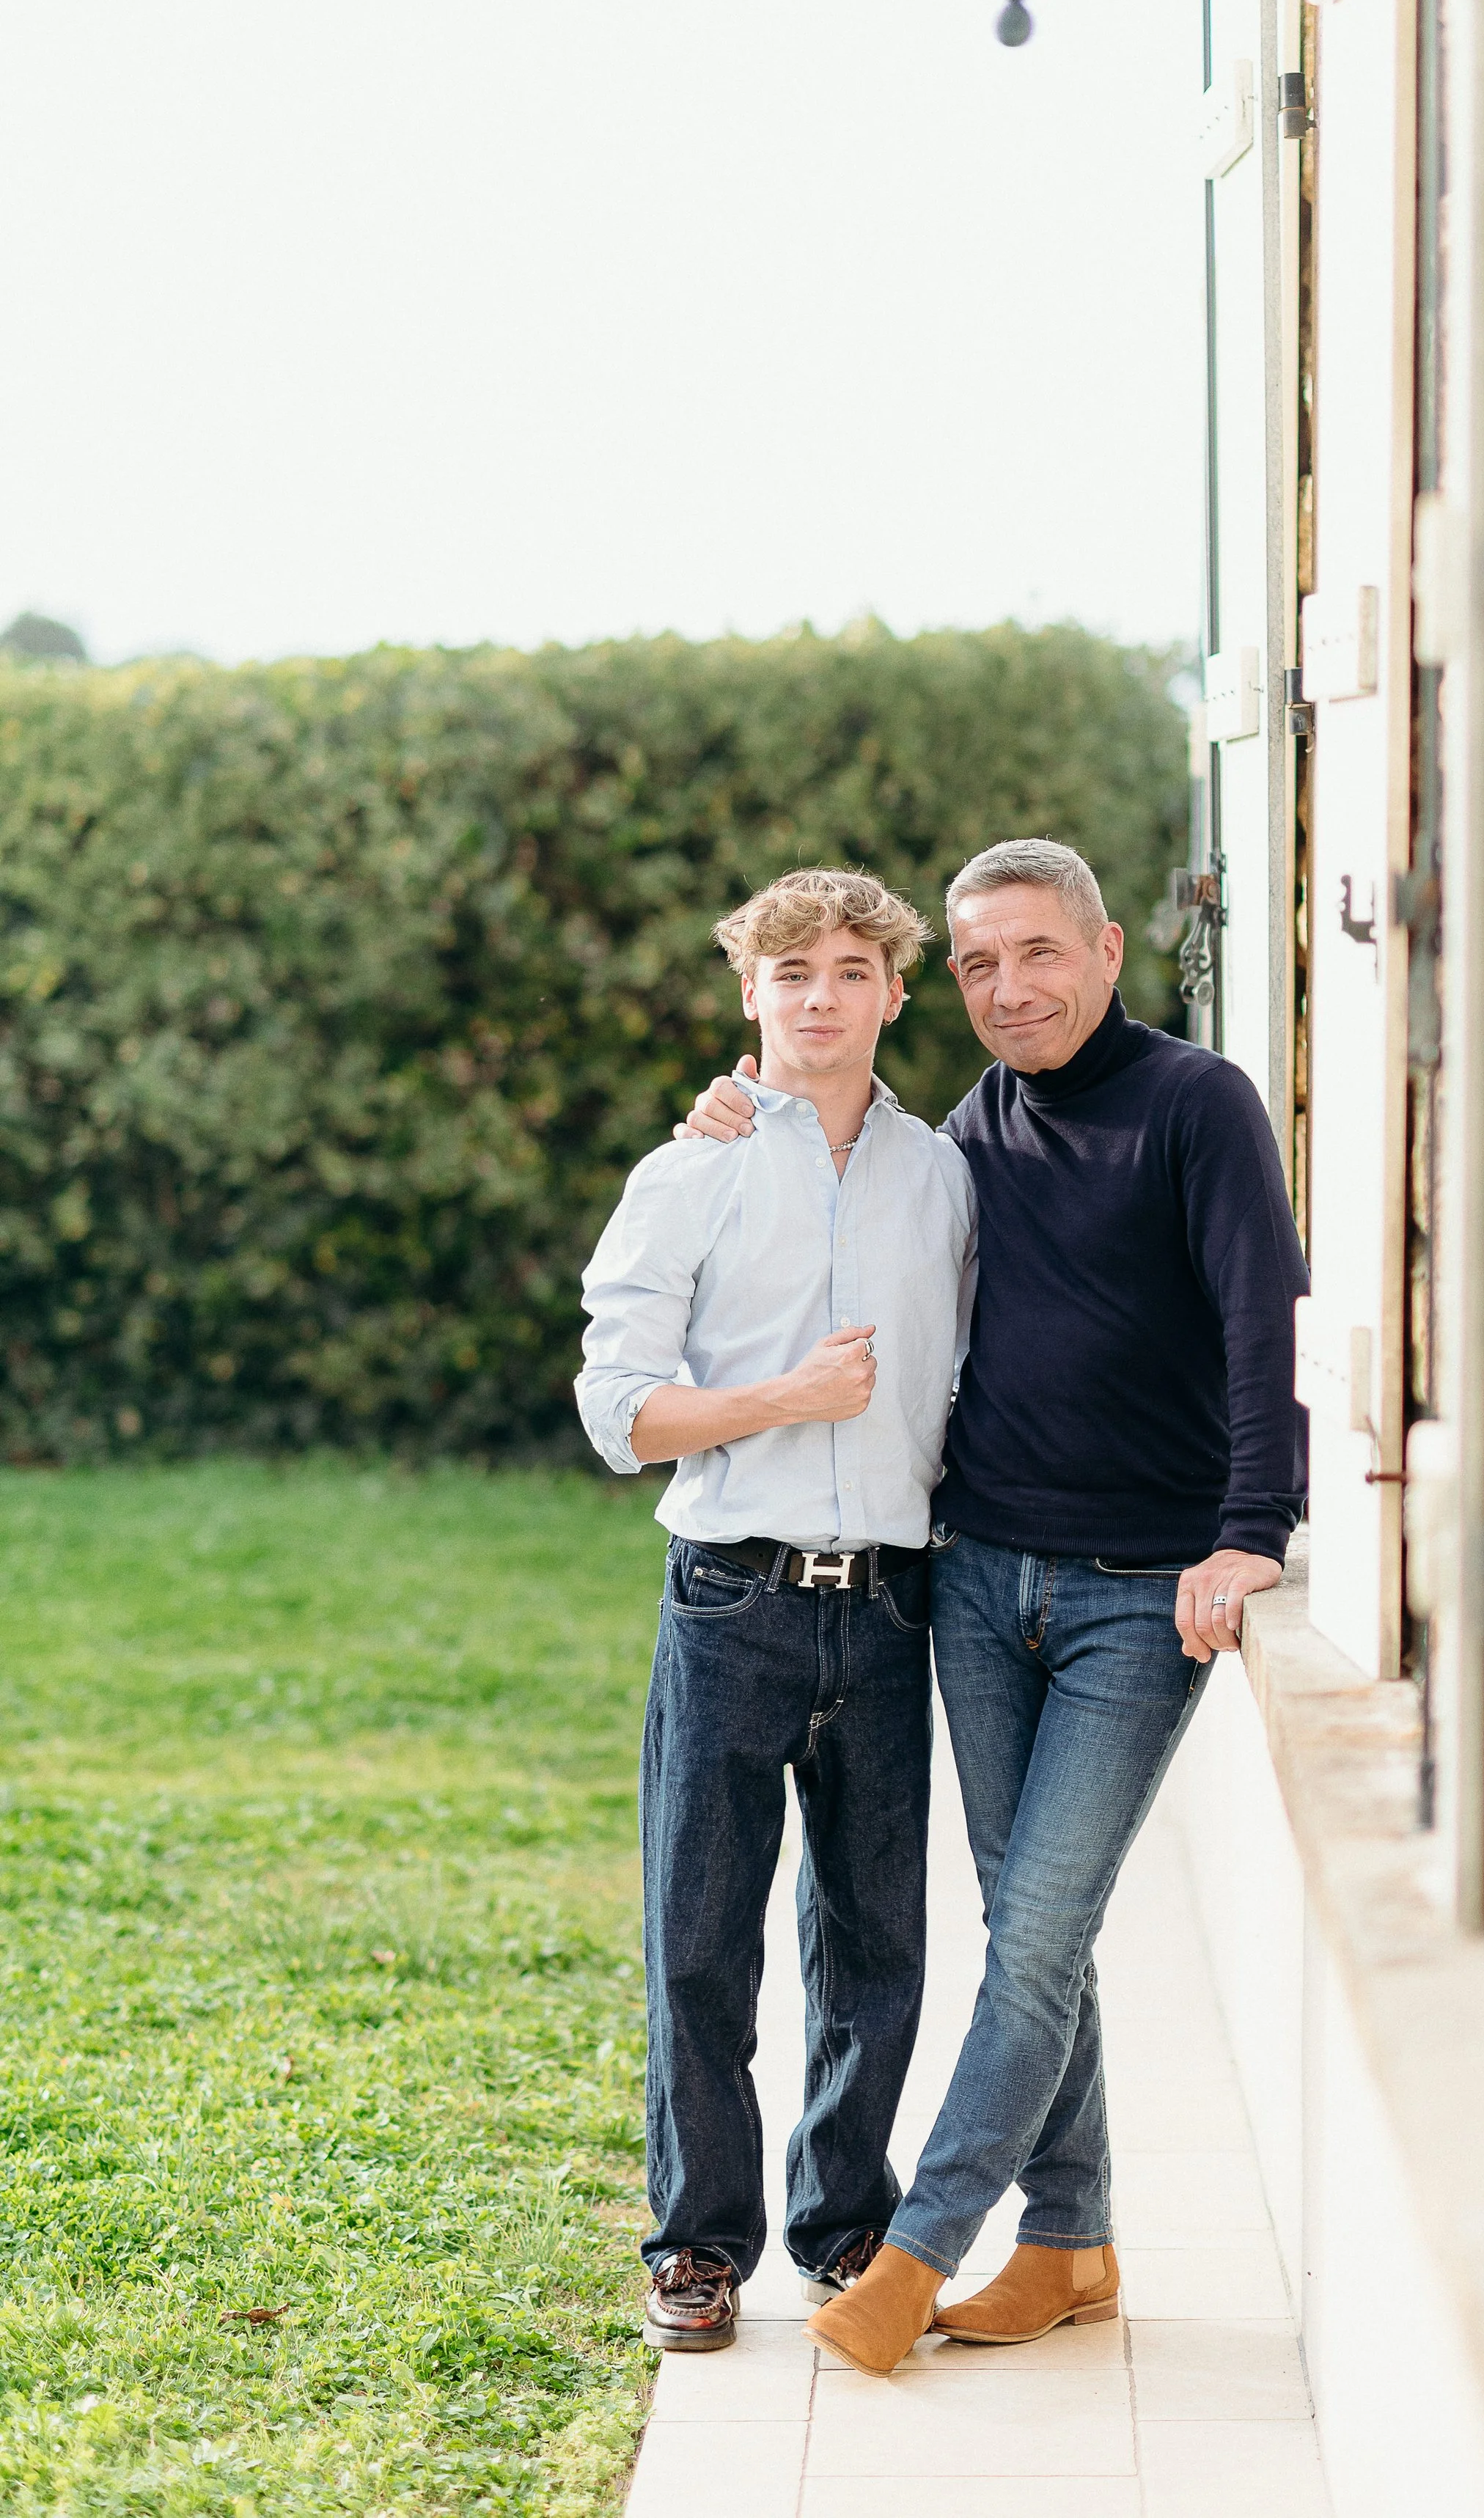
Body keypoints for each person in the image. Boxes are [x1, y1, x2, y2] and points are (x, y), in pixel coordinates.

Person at [680, 837, 1308, 2374]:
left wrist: (1252, 1529)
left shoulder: (1197, 1103)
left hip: (1138, 1598)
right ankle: (1070, 2239)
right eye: (977, 963)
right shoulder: (967, 1132)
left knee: (1033, 1932)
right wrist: (735, 1112)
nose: (1009, 986)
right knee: (1034, 1922)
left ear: (1106, 950)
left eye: (1037, 951)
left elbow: (1262, 1322)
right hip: (972, 1578)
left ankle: (917, 2249)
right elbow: (838, 1194)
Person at [576, 867, 974, 2355]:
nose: (820, 994)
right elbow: (619, 1413)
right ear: (749, 991)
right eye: (791, 970)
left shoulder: (944, 1175)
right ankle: (698, 2240)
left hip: (888, 1608)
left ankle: (846, 2223)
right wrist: (782, 1400)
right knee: (700, 1938)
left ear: (894, 993)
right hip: (730, 1597)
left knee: (876, 1944)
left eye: (851, 969)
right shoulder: (688, 1174)